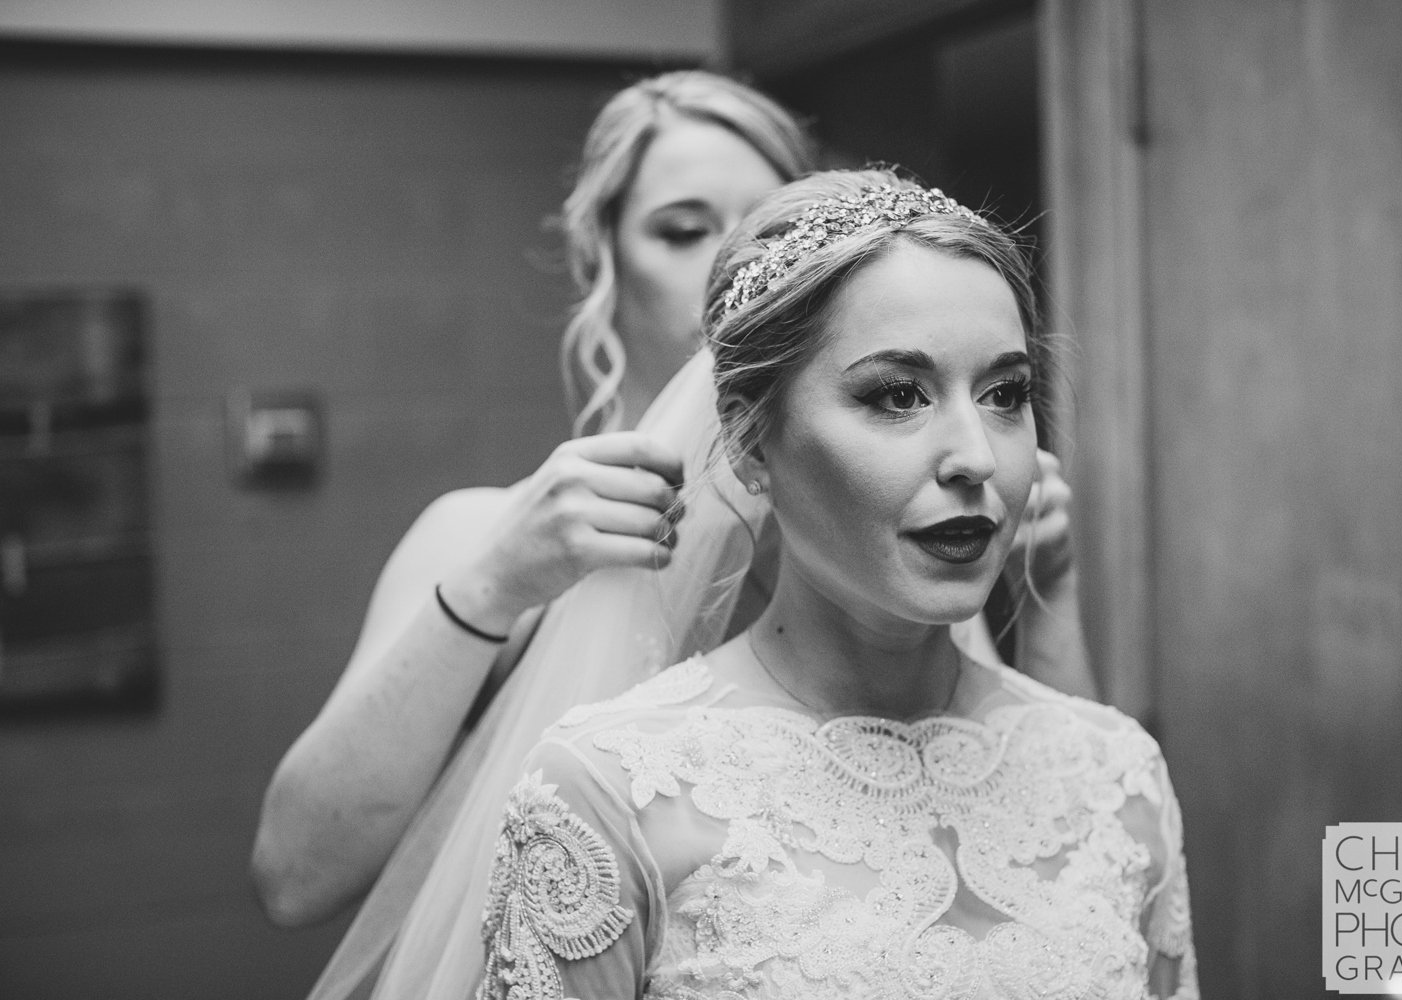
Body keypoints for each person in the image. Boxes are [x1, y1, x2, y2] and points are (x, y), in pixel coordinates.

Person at [252, 71, 1094, 934]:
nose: (733, 271)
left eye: (772, 227)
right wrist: (493, 587)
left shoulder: (887, 537)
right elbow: (294, 876)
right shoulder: (486, 535)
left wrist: (1051, 588)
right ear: (600, 262)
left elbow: (1062, 832)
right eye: (684, 231)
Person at [470, 171, 1197, 998]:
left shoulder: (1115, 775)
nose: (976, 457)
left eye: (1006, 394)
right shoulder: (607, 791)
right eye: (897, 395)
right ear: (749, 439)